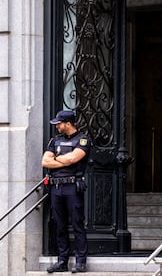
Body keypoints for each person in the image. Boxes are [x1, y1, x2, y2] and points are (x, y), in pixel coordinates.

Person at [42, 110, 91, 273]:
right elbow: (44, 161)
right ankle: (62, 261)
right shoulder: (55, 140)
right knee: (59, 225)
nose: (56, 126)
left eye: (59, 123)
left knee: (77, 223)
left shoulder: (82, 139)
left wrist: (55, 159)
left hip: (72, 187)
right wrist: (63, 160)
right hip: (56, 187)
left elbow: (73, 158)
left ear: (68, 124)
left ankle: (80, 262)